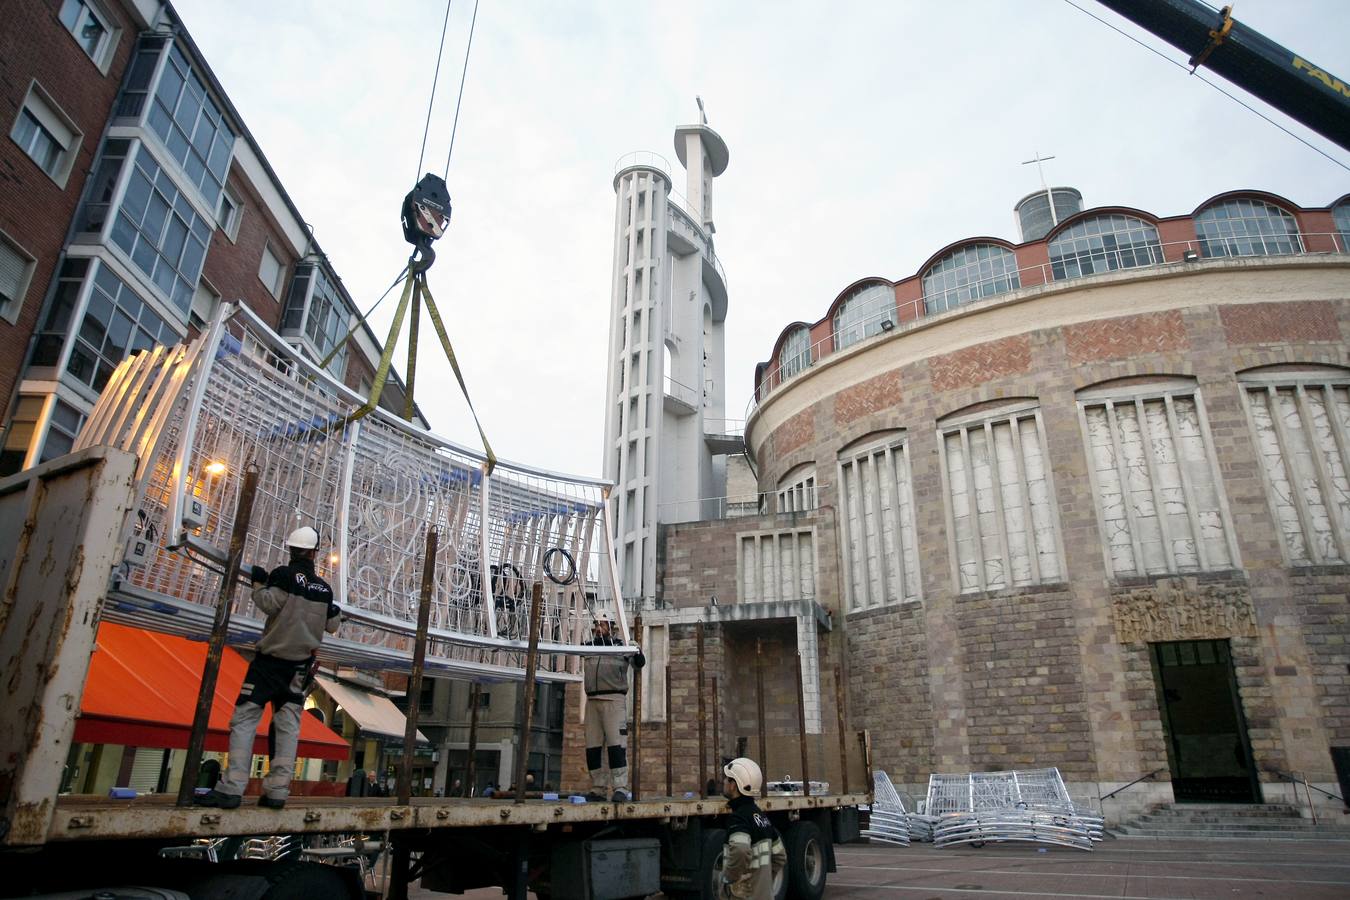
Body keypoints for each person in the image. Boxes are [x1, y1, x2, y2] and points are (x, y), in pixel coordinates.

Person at [196, 526, 339, 810]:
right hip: (298, 669)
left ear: (291, 550)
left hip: (269, 663)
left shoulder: (283, 576)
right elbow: (332, 625)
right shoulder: (324, 589)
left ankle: (231, 788)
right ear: (314, 553)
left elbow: (269, 604)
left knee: (245, 719)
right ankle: (277, 791)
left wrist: (259, 583)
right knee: (287, 727)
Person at [581, 611, 644, 802]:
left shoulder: (620, 646)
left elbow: (639, 664)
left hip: (613, 700)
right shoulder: (588, 647)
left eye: (603, 624)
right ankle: (598, 788)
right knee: (592, 747)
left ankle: (620, 788)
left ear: (611, 627)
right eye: (597, 625)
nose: (599, 628)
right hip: (592, 701)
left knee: (616, 746)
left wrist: (636, 650)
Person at [720, 758, 786, 900]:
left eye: (727, 778)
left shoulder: (738, 818)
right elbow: (780, 856)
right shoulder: (761, 817)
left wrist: (729, 879)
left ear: (733, 785)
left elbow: (740, 849)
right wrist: (762, 882)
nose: (724, 782)